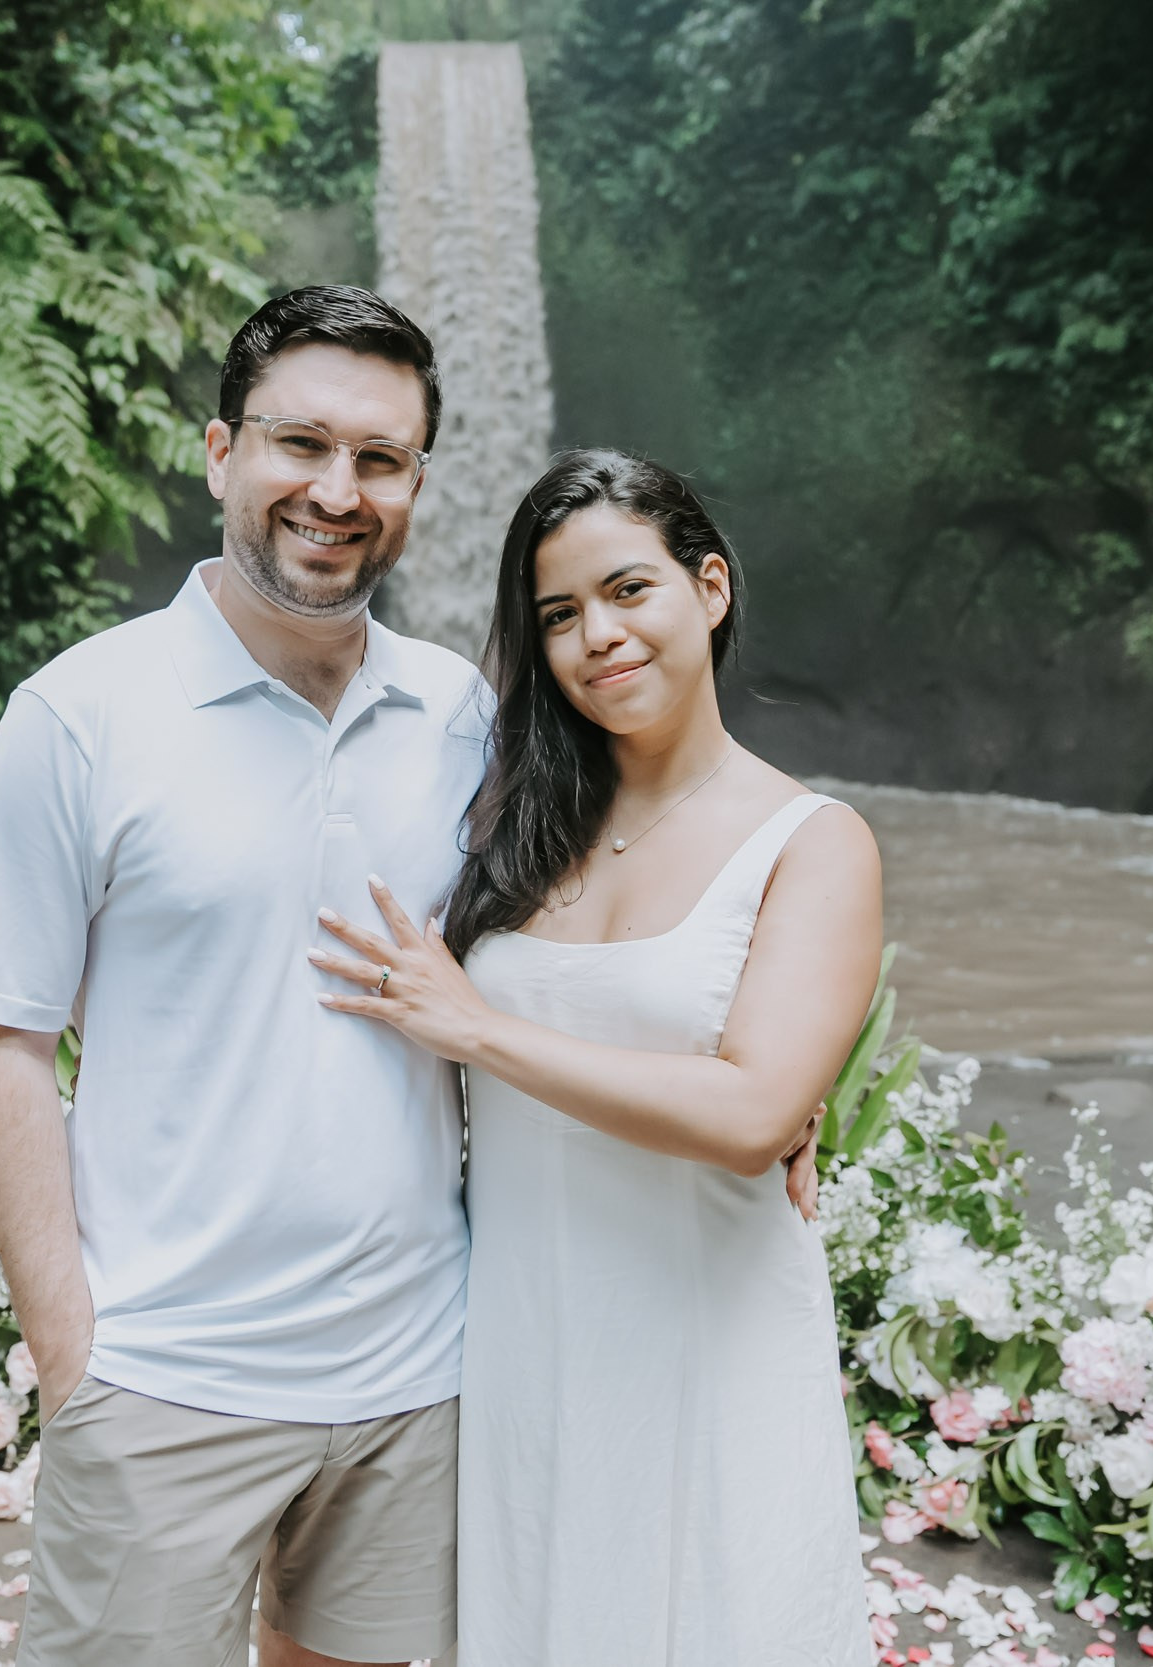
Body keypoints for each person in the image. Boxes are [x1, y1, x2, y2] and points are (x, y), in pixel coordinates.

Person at [0, 285, 486, 1667]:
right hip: (165, 1380)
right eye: (300, 443)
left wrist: (760, 1094)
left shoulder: (464, 716)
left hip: (415, 1378)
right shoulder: (79, 716)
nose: (336, 490)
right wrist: (78, 1365)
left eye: (380, 458)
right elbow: (1, 1044)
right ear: (219, 449)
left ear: (417, 479)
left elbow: (572, 949)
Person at [312, 449, 883, 1665]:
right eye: (559, 614)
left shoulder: (812, 841)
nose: (596, 637)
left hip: (702, 1340)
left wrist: (480, 1026)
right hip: (523, 1339)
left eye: (629, 590)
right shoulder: (512, 817)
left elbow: (747, 1115)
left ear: (710, 588)